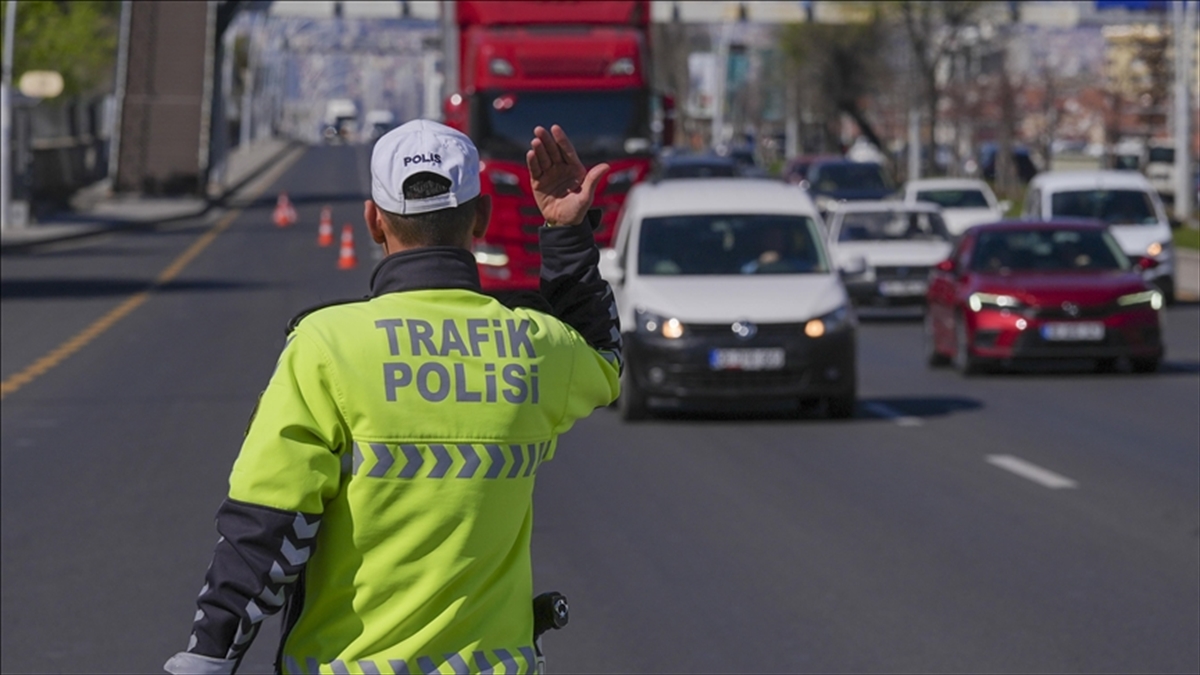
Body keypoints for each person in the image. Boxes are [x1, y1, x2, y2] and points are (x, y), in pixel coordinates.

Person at [164, 121, 621, 675]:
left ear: (374, 221)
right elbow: (604, 356)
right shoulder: (532, 344)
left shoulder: (326, 346)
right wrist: (566, 233)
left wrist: (210, 654)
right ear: (481, 218)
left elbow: (268, 525)